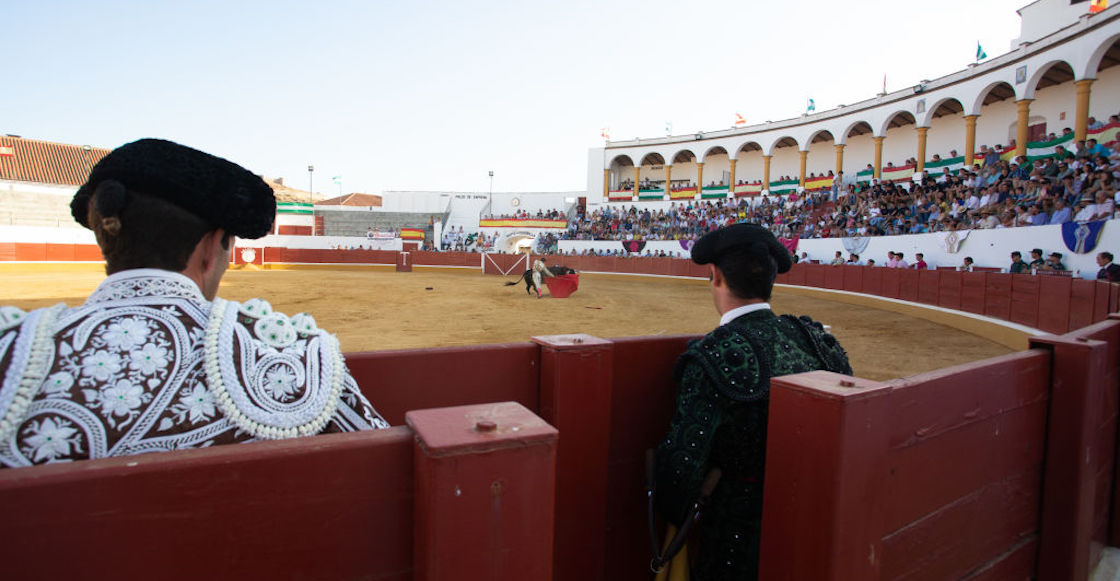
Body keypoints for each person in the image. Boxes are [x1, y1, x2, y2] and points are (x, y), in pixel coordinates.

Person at [0, 139, 388, 468]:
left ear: (105, 238)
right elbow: (386, 462)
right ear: (210, 247)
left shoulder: (10, 350)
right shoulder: (292, 358)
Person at [655, 223, 851, 580]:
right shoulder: (818, 341)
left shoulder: (713, 355)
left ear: (714, 276)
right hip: (818, 528)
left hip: (737, 539)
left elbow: (681, 473)